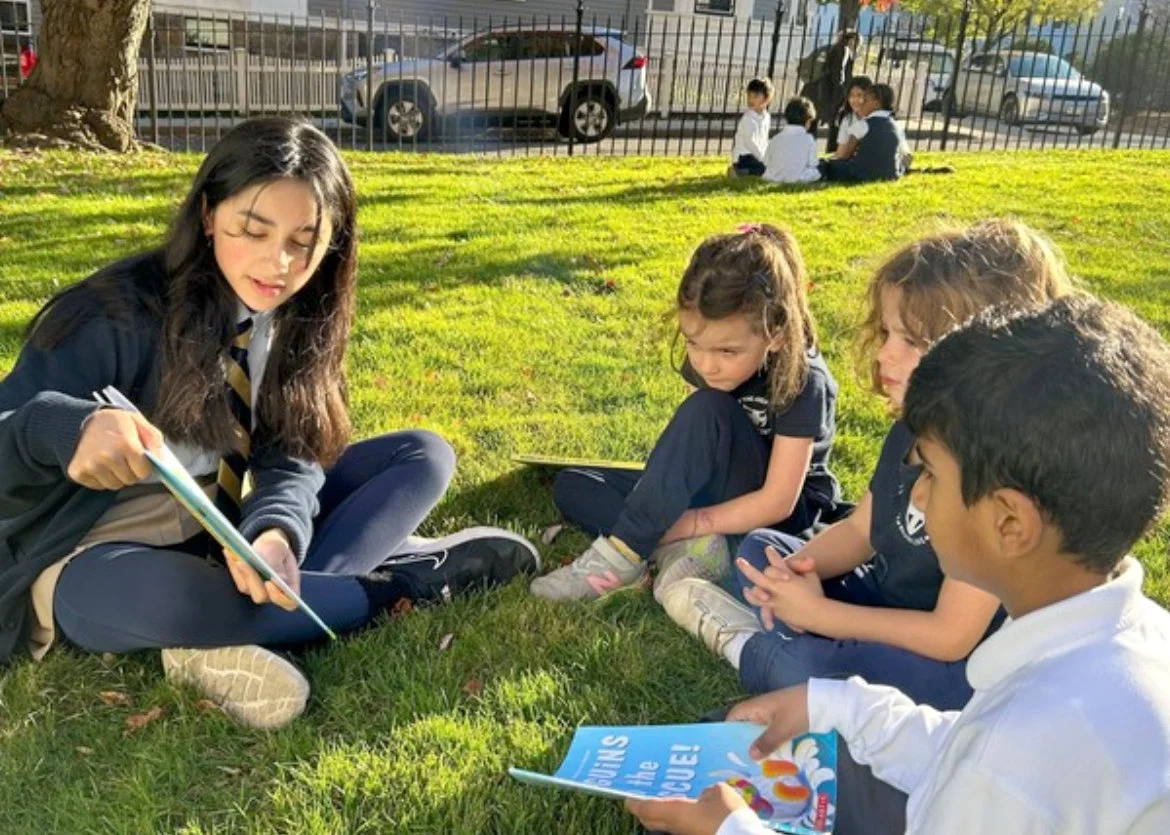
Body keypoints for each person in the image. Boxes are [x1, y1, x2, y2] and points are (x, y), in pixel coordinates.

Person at [0, 117, 539, 729]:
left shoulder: (296, 317)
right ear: (209, 216)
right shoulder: (115, 315)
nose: (277, 263)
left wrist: (277, 533)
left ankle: (245, 624)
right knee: (145, 597)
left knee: (422, 456)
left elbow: (294, 454)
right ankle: (396, 586)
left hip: (222, 537)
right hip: (93, 549)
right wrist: (67, 430)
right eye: (252, 231)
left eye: (304, 241)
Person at [631, 296, 1170, 835]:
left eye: (930, 474)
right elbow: (958, 745)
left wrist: (729, 830)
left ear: (1010, 523)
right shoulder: (1130, 640)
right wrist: (836, 704)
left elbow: (984, 765)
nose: (918, 496)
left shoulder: (1017, 751)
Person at [661, 220, 1074, 711]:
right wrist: (790, 574)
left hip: (947, 663)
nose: (885, 355)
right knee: (760, 552)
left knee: (813, 669)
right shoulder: (912, 430)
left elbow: (950, 636)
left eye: (912, 341)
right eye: (887, 333)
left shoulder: (1000, 479)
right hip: (879, 599)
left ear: (988, 362)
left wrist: (821, 614)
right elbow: (860, 532)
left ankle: (746, 644)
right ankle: (798, 642)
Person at [531, 224, 842, 603]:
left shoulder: (804, 379)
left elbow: (778, 501)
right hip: (718, 495)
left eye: (727, 352)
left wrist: (691, 521)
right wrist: (663, 502)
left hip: (778, 519)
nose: (707, 365)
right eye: (694, 344)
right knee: (575, 484)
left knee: (707, 408)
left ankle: (624, 555)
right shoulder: (713, 358)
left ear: (775, 333)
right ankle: (690, 550)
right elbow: (698, 449)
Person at [821, 82, 909, 183]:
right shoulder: (897, 126)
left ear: (876, 104)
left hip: (862, 174)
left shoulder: (863, 124)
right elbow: (905, 155)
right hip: (891, 175)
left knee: (829, 165)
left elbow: (844, 155)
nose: (861, 103)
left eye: (865, 100)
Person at [808, 30, 860, 153]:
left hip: (822, 91)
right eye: (857, 42)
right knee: (836, 124)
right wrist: (842, 93)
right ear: (851, 40)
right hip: (832, 93)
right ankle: (831, 150)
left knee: (815, 122)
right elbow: (838, 73)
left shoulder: (835, 48)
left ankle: (810, 150)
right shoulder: (843, 50)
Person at [762, 97, 821, 185]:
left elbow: (766, 161)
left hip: (774, 176)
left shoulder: (776, 138)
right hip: (798, 177)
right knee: (818, 170)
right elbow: (813, 163)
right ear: (808, 121)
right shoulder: (808, 139)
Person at [728, 78, 775, 178]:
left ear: (766, 99)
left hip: (756, 156)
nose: (751, 100)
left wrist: (767, 156)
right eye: (749, 96)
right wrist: (762, 158)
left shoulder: (766, 117)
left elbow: (764, 139)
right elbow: (749, 143)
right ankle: (738, 171)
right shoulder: (748, 118)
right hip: (744, 156)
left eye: (756, 96)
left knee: (772, 166)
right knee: (765, 170)